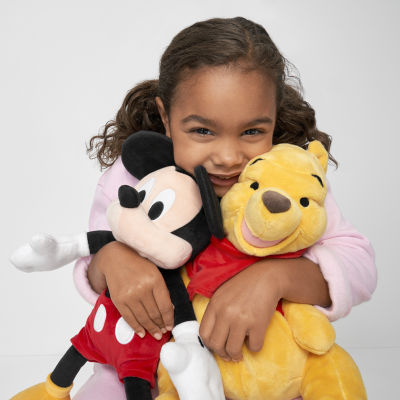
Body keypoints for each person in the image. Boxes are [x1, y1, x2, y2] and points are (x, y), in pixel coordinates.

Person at [72, 17, 376, 400]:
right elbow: (92, 262)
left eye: (252, 131)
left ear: (274, 118)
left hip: (260, 374)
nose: (229, 157)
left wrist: (274, 278)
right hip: (147, 370)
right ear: (166, 117)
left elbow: (359, 263)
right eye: (202, 131)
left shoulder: (288, 180)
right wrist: (113, 259)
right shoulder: (133, 178)